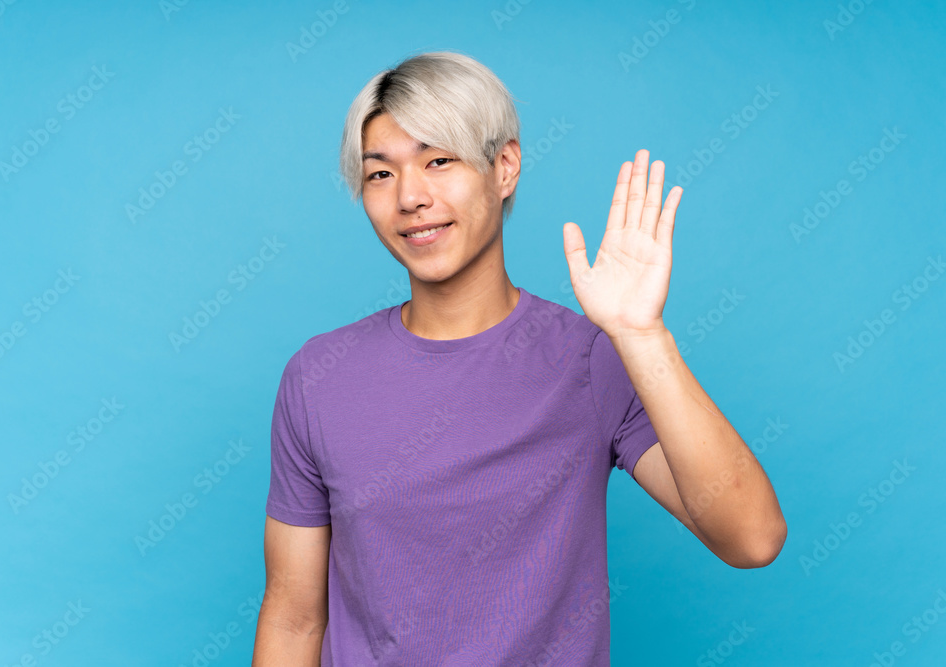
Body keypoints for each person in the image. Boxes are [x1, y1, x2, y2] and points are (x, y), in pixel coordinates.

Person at [251, 50, 786, 666]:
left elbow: (752, 538)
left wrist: (642, 335)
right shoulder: (320, 378)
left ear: (504, 167)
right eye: (381, 173)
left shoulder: (590, 360)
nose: (410, 197)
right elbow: (293, 618)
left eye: (439, 160)